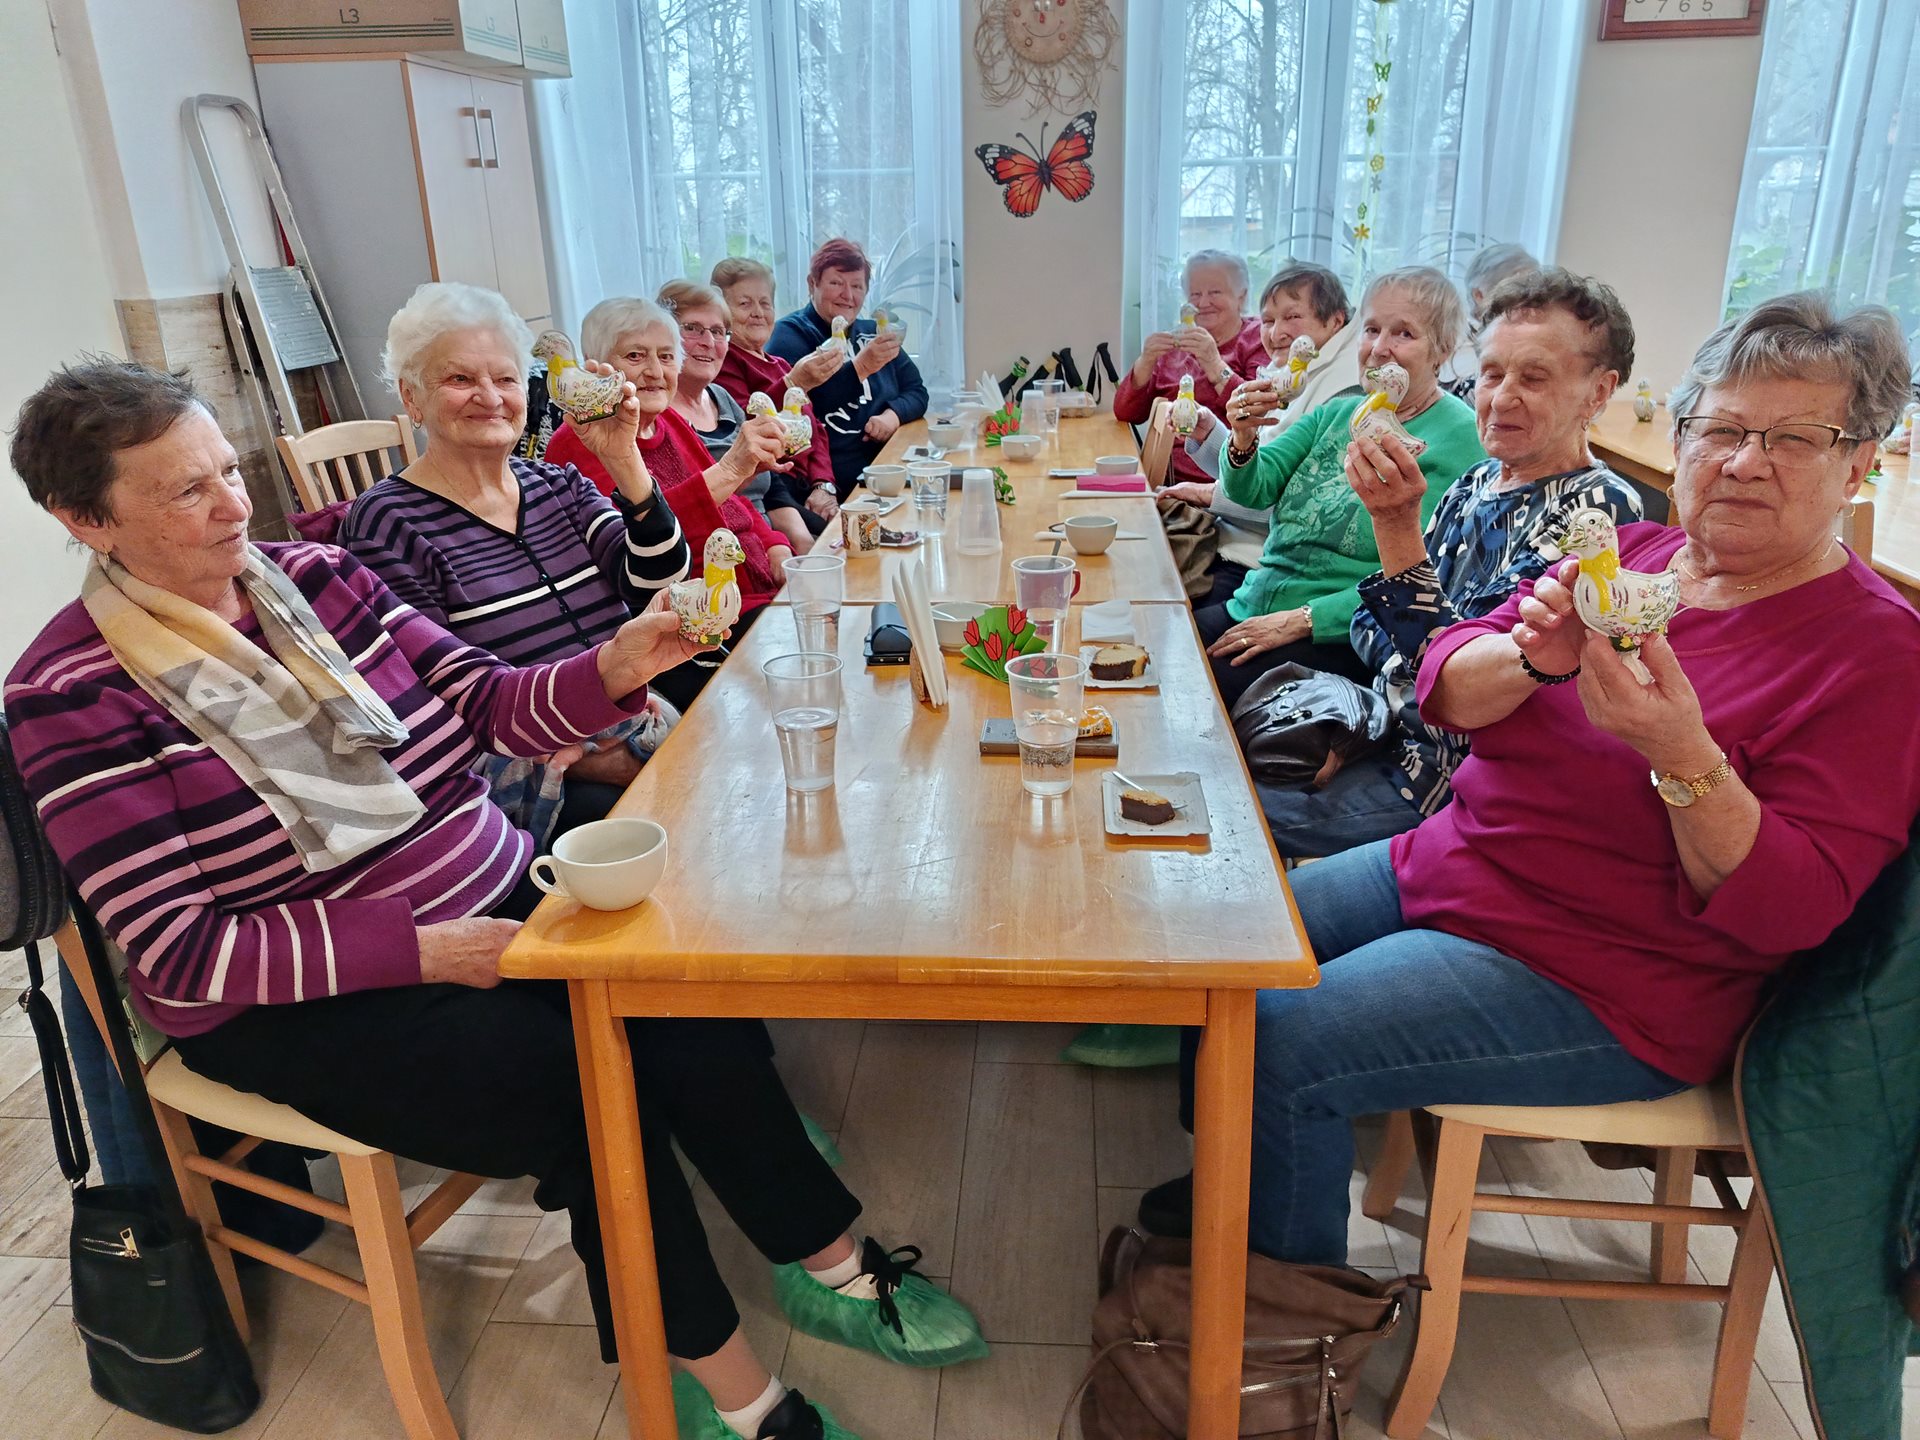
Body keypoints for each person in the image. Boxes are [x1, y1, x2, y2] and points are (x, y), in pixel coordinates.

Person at [6, 360, 984, 1440]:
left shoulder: (317, 581)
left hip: (490, 896)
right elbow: (180, 951)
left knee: (678, 995)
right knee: (584, 1092)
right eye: (187, 491)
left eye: (229, 471)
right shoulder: (70, 695)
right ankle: (734, 1396)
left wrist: (617, 662)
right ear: (84, 519)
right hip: (305, 996)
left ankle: (832, 1266)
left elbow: (486, 702)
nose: (235, 505)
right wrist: (424, 950)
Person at [1138, 294, 1920, 1259]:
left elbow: (1792, 912)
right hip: (1456, 863)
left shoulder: (1878, 655)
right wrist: (1531, 658)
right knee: (1225, 941)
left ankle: (1280, 1312)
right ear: (1683, 440)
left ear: (1857, 462)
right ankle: (1241, 1176)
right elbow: (1444, 685)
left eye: (1794, 438)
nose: (1744, 462)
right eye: (1722, 429)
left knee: (1282, 1034)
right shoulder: (1635, 557)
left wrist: (1682, 755)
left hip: (1608, 970)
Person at [1260, 268, 1645, 857]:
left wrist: (1395, 531)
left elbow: (1462, 695)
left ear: (1598, 392)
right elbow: (1370, 624)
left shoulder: (1596, 512)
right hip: (1380, 731)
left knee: (1236, 818)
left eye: (1534, 378)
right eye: (1491, 373)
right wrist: (1378, 710)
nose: (1501, 398)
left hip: (1445, 786)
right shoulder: (1476, 482)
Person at [339, 283, 691, 843]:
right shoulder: (387, 523)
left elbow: (658, 582)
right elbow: (429, 693)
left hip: (629, 717)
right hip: (528, 764)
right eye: (460, 379)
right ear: (412, 397)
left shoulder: (558, 485)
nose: (489, 397)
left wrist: (623, 459)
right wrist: (586, 752)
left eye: (505, 379)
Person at [1200, 266, 1485, 708]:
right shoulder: (1340, 411)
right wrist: (1242, 436)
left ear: (1442, 349)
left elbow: (1424, 577)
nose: (1379, 348)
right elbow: (1252, 489)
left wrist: (1303, 619)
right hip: (1254, 603)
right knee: (1160, 648)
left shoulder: (1461, 438)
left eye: (1404, 333)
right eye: (1371, 330)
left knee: (1197, 691)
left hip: (1342, 634)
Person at [545, 296, 793, 713]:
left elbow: (734, 505)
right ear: (596, 366)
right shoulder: (583, 441)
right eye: (635, 356)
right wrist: (731, 468)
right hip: (699, 622)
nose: (655, 372)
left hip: (758, 589)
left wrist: (776, 547)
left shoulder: (670, 420)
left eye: (665, 356)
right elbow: (638, 543)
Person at [1162, 261, 1364, 608]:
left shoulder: (1343, 394)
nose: (1276, 333)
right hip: (1227, 541)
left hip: (1263, 564)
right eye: (1268, 321)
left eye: (1292, 316)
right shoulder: (1292, 373)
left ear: (1335, 321)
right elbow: (1258, 472)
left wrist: (1207, 495)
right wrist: (1210, 434)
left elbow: (1298, 510)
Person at [658, 278, 815, 552]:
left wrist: (802, 543)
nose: (709, 342)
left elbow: (772, 489)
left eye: (718, 331)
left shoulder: (722, 398)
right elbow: (684, 513)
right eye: (692, 328)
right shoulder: (658, 418)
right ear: (665, 337)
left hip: (771, 539)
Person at [767, 239, 927, 496]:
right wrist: (861, 367)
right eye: (836, 283)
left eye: (857, 286)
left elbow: (917, 391)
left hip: (890, 463)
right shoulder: (789, 336)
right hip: (833, 481)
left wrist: (893, 416)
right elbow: (803, 408)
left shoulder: (873, 332)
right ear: (812, 283)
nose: (848, 295)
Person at [710, 256, 843, 533]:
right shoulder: (725, 364)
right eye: (745, 303)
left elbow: (815, 431)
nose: (758, 312)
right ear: (722, 313)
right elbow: (748, 426)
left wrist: (823, 485)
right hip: (775, 490)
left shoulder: (780, 364)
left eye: (765, 303)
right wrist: (793, 382)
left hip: (810, 488)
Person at [1114, 249, 1267, 487]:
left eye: (1215, 292)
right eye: (1195, 294)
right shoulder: (1176, 344)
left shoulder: (1259, 338)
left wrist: (1214, 363)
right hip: (1167, 484)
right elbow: (1127, 413)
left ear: (1242, 296)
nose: (1203, 303)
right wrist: (1145, 361)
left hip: (1225, 487)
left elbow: (1259, 412)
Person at [1445, 243, 1540, 399]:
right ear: (1479, 295)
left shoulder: (1524, 340)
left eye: (1533, 295)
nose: (1527, 304)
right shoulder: (1457, 345)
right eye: (1516, 294)